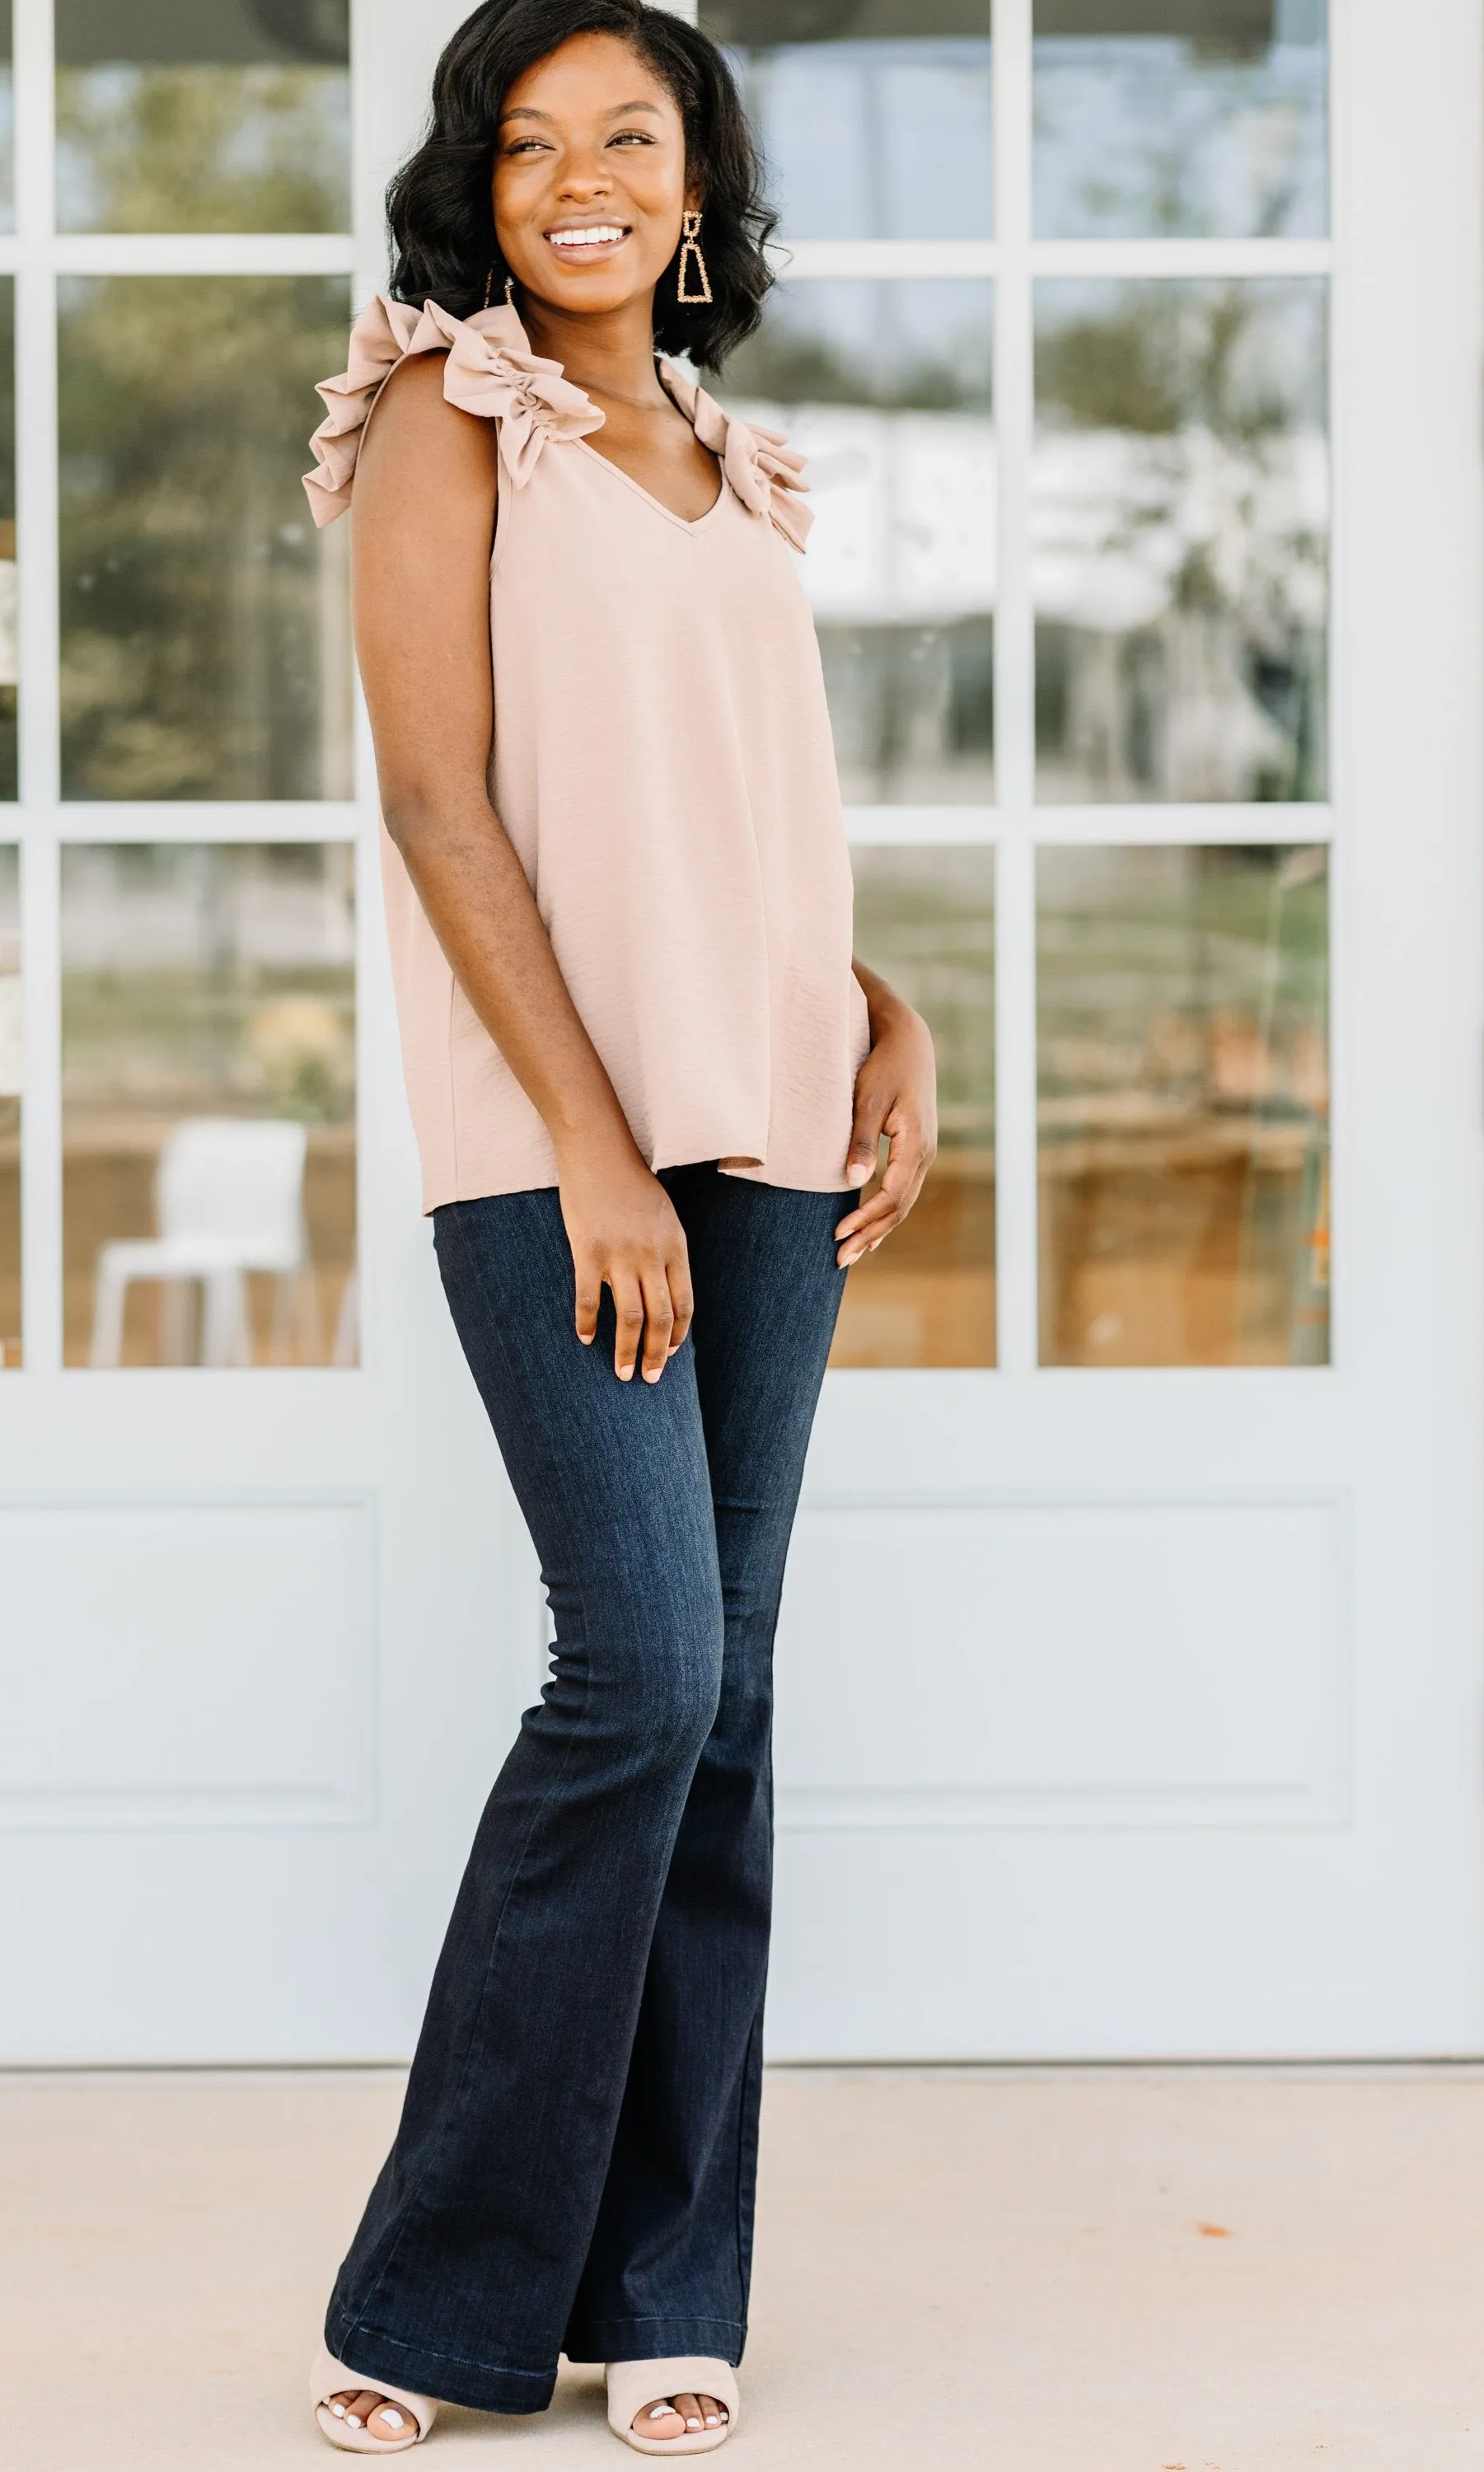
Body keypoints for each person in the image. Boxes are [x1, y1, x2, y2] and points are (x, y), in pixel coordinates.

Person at [302, 0, 935, 2452]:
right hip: (561, 1146)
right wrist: (581, 1144)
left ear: (698, 186)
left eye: (632, 138)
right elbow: (443, 805)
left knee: (728, 1712)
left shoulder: (726, 461)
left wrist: (877, 1008)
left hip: (772, 1133)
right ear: (482, 177)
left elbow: (733, 819)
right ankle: (435, 2304)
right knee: (639, 1680)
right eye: (533, 139)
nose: (583, 177)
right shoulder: (451, 419)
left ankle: (672, 2291)